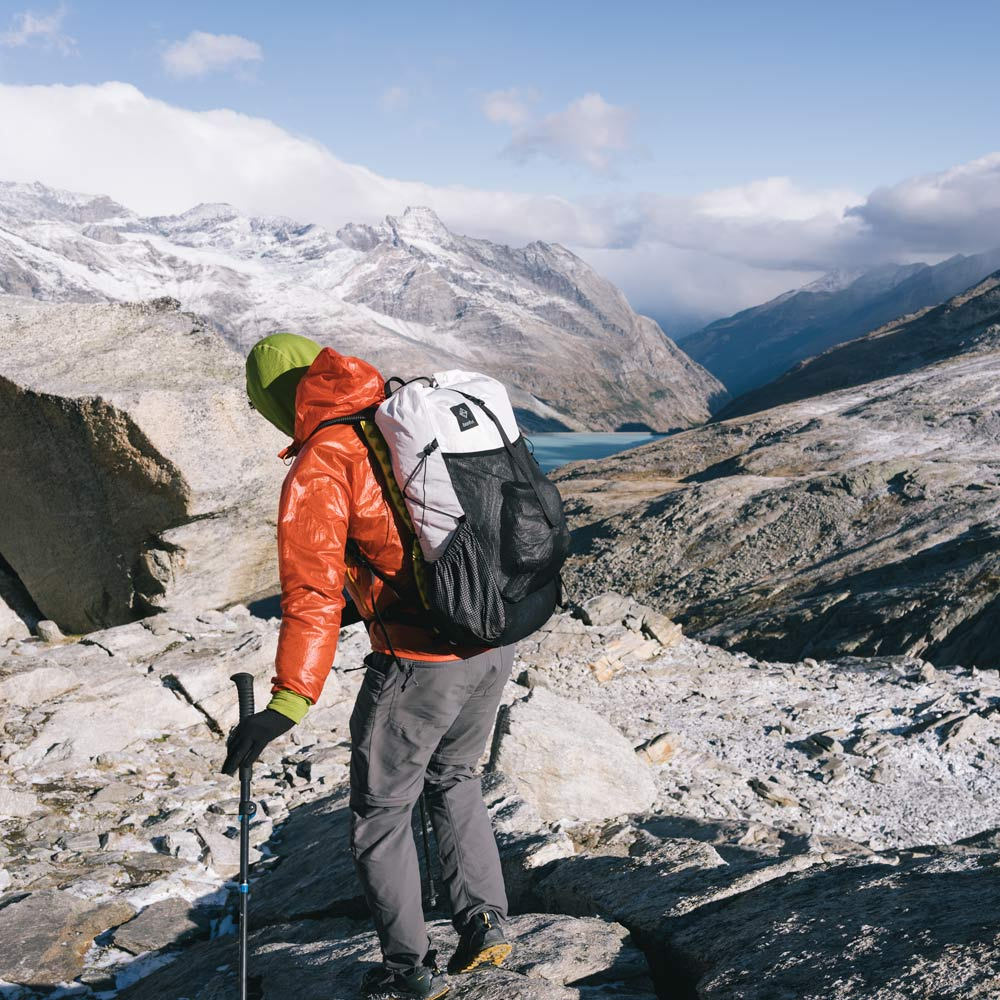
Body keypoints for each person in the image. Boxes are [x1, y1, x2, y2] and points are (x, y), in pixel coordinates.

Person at [222, 333, 513, 1000]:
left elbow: (314, 593)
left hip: (418, 661)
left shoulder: (322, 462)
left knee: (382, 814)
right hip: (494, 639)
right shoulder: (403, 412)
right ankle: (486, 926)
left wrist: (287, 703)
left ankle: (409, 971)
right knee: (457, 778)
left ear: (279, 398)